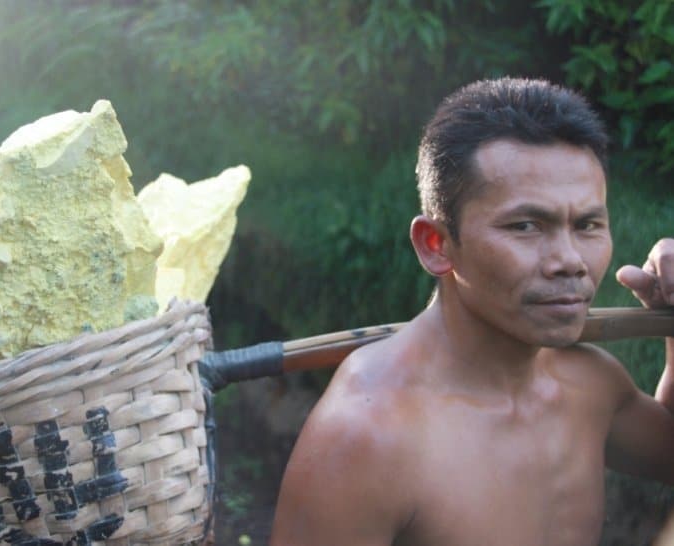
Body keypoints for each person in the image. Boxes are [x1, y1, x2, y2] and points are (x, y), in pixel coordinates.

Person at [269, 77, 674, 546]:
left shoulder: (589, 382)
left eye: (587, 225)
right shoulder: (365, 437)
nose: (570, 260)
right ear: (436, 245)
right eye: (526, 225)